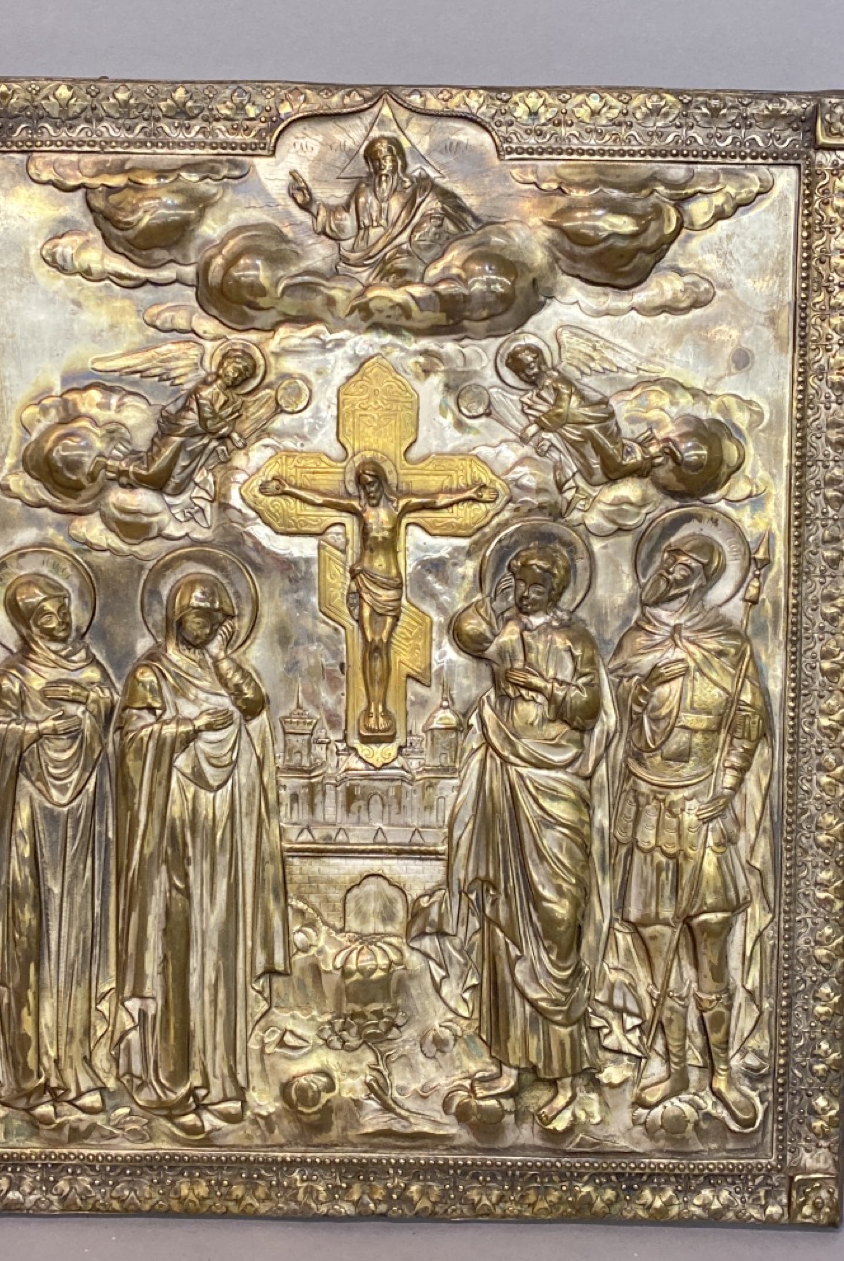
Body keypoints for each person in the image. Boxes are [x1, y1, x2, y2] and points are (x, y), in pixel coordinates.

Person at [410, 535, 615, 1126]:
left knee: (556, 926)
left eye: (537, 584)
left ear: (557, 588)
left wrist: (542, 686)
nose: (527, 592)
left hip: (557, 787)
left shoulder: (575, 639)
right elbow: (464, 635)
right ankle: (508, 1063)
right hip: (505, 781)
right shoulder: (504, 634)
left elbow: (587, 708)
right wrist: (494, 602)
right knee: (502, 923)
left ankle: (566, 1076)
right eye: (519, 582)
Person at [605, 531, 772, 1129]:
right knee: (657, 948)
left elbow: (747, 720)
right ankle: (675, 1068)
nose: (671, 570)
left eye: (684, 564)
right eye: (668, 559)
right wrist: (646, 685)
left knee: (710, 944)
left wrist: (726, 785)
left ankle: (722, 1073)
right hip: (648, 806)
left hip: (703, 809)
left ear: (703, 578)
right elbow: (608, 713)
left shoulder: (730, 642)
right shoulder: (637, 639)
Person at [113, 571, 289, 1133]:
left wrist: (221, 658)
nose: (205, 626)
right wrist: (185, 728)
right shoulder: (151, 674)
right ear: (174, 616)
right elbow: (131, 744)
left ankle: (221, 1079)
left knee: (222, 945)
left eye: (214, 618)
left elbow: (254, 705)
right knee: (176, 945)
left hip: (227, 831)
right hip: (172, 828)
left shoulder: (224, 669)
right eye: (196, 617)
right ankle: (171, 1082)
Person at [0, 572, 115, 1123]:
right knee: (28, 941)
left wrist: (91, 703)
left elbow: (113, 719)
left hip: (80, 820)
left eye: (62, 609)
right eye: (45, 615)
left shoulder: (91, 669)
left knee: (76, 939)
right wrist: (33, 731)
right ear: (25, 624)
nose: (58, 622)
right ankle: (27, 1078)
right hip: (27, 820)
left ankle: (74, 1070)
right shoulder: (13, 676)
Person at [259, 460, 497, 741]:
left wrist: (471, 494)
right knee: (371, 643)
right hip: (366, 581)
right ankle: (372, 708)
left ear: (382, 482)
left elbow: (435, 500)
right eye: (363, 486)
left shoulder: (398, 507)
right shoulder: (361, 510)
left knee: (382, 643)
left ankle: (381, 707)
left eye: (372, 484)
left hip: (390, 584)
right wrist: (287, 489)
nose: (368, 491)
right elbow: (322, 500)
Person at [288, 135, 480, 286]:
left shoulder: (417, 192)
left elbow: (439, 205)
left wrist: (433, 219)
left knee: (401, 281)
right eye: (376, 161)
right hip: (361, 263)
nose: (382, 165)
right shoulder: (363, 193)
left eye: (386, 158)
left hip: (401, 258)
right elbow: (346, 224)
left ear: (398, 161)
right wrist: (310, 205)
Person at [505, 341, 677, 501]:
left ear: (541, 362)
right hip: (579, 434)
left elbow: (561, 411)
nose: (527, 375)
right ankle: (644, 454)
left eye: (530, 367)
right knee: (596, 476)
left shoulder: (558, 381)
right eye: (520, 373)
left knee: (617, 466)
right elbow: (558, 425)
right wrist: (547, 440)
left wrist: (536, 426)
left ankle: (656, 451)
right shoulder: (537, 396)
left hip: (595, 423)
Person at [89, 346, 259, 500]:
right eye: (234, 369)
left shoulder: (232, 401)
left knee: (173, 486)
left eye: (241, 374)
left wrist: (222, 442)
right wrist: (232, 433)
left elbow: (216, 426)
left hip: (193, 444)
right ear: (223, 365)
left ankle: (125, 476)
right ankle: (108, 464)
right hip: (178, 434)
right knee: (152, 473)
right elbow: (209, 421)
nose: (235, 375)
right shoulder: (205, 391)